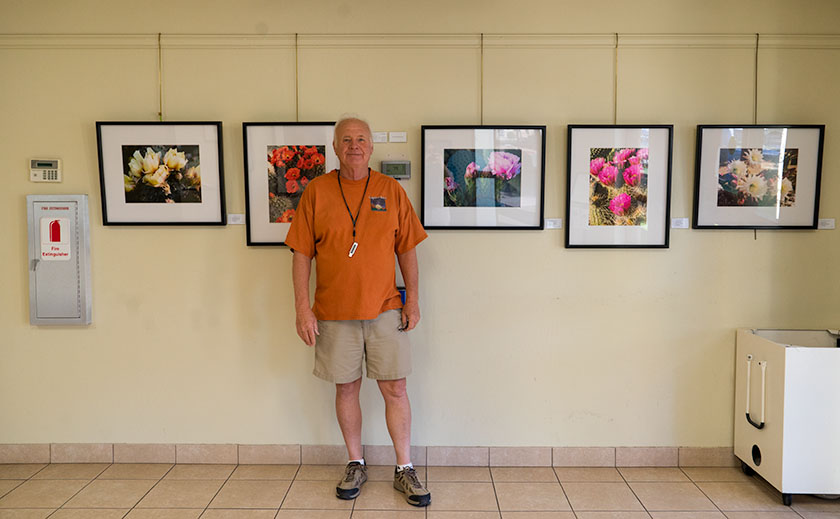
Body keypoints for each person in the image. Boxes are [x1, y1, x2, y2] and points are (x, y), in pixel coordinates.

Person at [285, 115, 430, 507]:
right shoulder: (316, 191)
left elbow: (407, 249)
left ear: (371, 147)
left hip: (385, 309)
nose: (354, 145)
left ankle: (405, 468)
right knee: (346, 387)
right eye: (346, 139)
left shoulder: (390, 190)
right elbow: (301, 254)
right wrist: (302, 308)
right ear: (334, 147)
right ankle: (355, 461)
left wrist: (412, 298)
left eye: (361, 139)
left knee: (395, 389)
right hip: (332, 312)